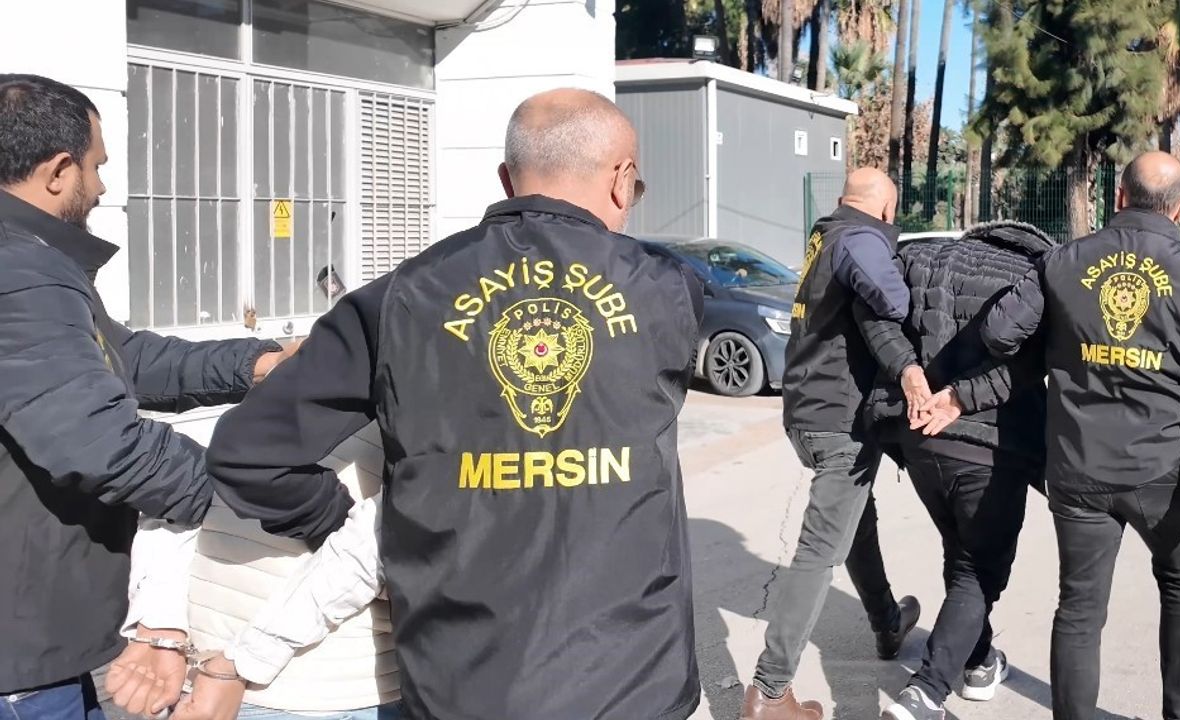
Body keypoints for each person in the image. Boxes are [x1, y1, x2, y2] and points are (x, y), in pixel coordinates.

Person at [201, 88, 705, 720]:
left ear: (507, 179)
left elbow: (248, 454)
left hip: (461, 688)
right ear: (622, 180)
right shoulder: (669, 289)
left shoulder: (399, 297)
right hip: (635, 685)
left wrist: (376, 532)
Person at [0, 74, 293, 719]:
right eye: (96, 166)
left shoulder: (28, 264)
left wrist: (259, 363)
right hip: (20, 657)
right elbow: (97, 442)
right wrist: (253, 493)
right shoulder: (21, 270)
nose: (102, 188)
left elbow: (121, 357)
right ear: (58, 171)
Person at [981, 151, 1180, 720]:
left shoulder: (1062, 262)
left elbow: (998, 332)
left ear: (1119, 196)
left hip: (1078, 468)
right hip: (1166, 473)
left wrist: (1061, 346)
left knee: (1079, 608)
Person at [853, 221, 1054, 720]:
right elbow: (1033, 362)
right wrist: (963, 398)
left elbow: (870, 310)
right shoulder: (1037, 275)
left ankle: (979, 661)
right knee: (980, 571)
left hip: (919, 437)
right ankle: (925, 693)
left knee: (961, 552)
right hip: (991, 446)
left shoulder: (920, 257)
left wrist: (906, 368)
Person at [741, 169, 921, 720]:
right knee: (819, 553)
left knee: (856, 519)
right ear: (886, 210)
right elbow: (893, 299)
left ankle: (887, 623)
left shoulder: (826, 236)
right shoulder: (861, 239)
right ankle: (771, 691)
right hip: (837, 418)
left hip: (805, 411)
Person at [105, 423, 398, 720]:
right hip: (201, 674)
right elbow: (171, 490)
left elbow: (385, 534)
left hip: (328, 687)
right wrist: (161, 621)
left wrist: (244, 661)